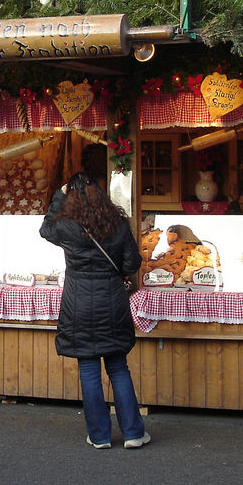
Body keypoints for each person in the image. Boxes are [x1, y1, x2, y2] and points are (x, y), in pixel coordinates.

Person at [39, 172, 149, 450]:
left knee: (88, 369)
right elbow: (132, 262)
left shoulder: (65, 226)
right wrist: (115, 275)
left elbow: (45, 229)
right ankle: (134, 433)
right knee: (118, 368)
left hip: (78, 306)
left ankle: (99, 436)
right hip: (112, 303)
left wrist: (59, 195)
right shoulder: (118, 224)